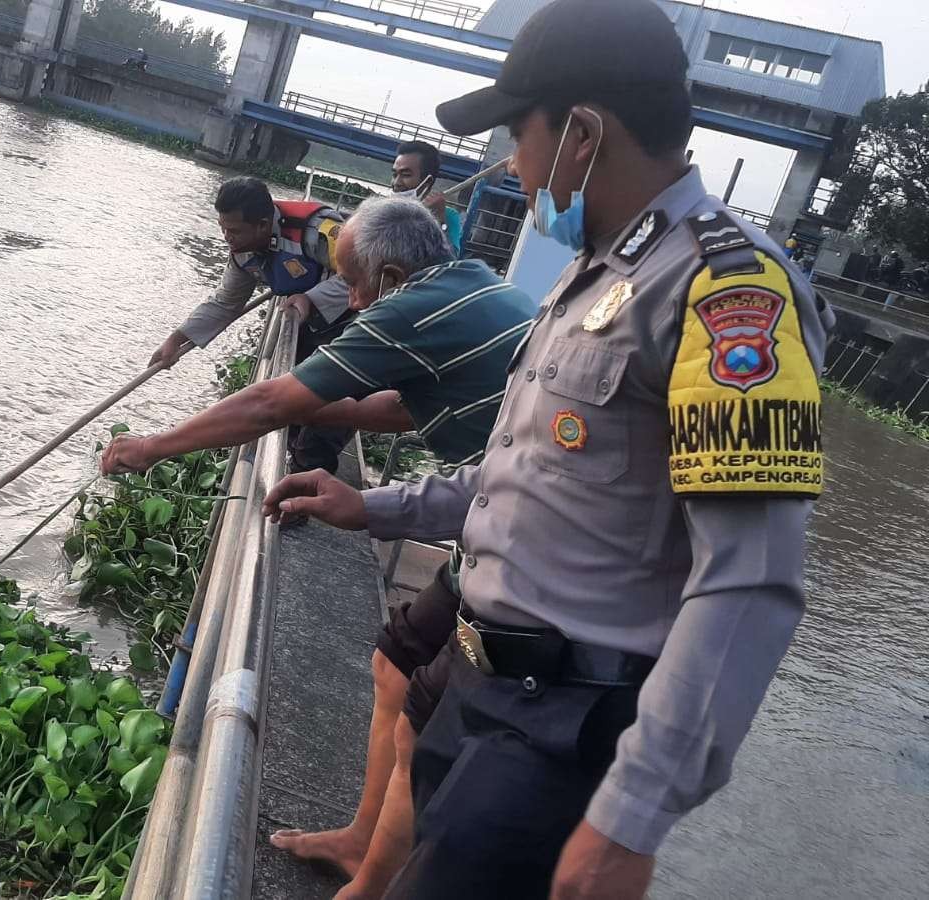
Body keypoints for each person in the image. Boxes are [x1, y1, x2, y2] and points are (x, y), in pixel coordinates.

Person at [262, 1, 831, 897]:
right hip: (482, 688)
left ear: (579, 135)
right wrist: (368, 505)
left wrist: (631, 816)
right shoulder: (590, 277)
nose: (511, 166)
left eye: (515, 136)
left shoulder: (733, 294)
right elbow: (525, 479)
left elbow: (751, 577)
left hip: (566, 727)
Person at [103, 197, 536, 898]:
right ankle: (362, 840)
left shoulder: (409, 308)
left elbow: (273, 403)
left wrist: (156, 445)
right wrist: (301, 402)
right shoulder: (475, 281)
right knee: (396, 661)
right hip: (496, 515)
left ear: (390, 274)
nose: (351, 299)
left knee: (424, 716)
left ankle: (369, 882)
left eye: (355, 283)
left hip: (523, 538)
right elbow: (399, 408)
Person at [150, 176, 357, 474]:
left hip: (349, 326)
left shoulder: (317, 231)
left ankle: (303, 501)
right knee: (298, 415)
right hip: (306, 325)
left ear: (262, 224)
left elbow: (361, 275)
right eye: (222, 228)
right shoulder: (243, 249)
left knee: (323, 425)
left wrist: (311, 298)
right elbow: (226, 302)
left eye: (233, 230)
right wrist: (177, 338)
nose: (226, 237)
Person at [391, 140, 463, 257]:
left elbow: (450, 260)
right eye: (395, 174)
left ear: (427, 182)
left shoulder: (448, 215)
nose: (396, 183)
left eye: (406, 175)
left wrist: (440, 220)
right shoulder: (382, 210)